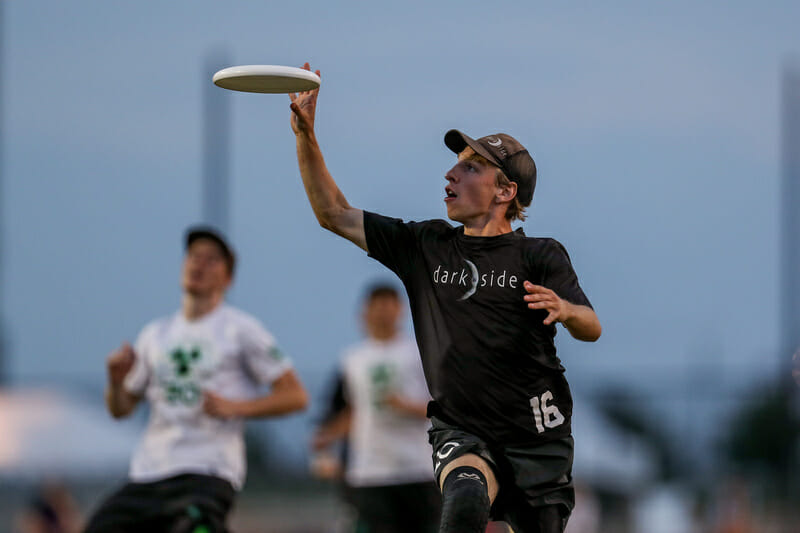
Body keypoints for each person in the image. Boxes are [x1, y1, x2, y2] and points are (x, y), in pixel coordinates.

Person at [288, 63, 602, 533]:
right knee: (464, 502)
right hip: (464, 430)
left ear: (505, 191)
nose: (451, 173)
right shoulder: (426, 246)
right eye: (455, 164)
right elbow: (333, 213)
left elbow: (590, 325)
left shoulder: (539, 255)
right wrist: (305, 135)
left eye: (470, 167)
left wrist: (567, 309)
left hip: (538, 437)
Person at [83, 226, 309, 533]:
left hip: (207, 470)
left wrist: (236, 407)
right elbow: (120, 410)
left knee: (195, 526)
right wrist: (115, 381)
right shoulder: (155, 333)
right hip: (151, 472)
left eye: (211, 259)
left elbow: (296, 396)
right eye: (193, 256)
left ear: (228, 279)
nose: (198, 264)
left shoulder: (240, 329)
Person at [311, 283, 441, 533]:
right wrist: (328, 436)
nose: (382, 314)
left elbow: (444, 409)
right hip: (370, 470)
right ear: (364, 313)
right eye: (376, 307)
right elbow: (356, 410)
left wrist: (406, 406)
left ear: (401, 311)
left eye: (388, 307)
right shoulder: (352, 358)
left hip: (417, 468)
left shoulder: (419, 353)